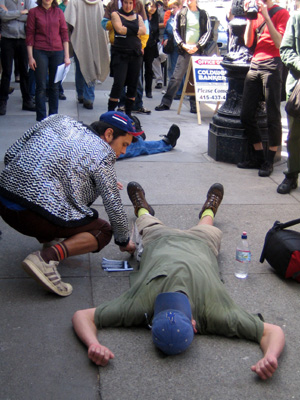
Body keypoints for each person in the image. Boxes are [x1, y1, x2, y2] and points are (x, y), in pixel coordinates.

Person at [72, 181, 285, 380]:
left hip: (158, 239)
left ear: (151, 319)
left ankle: (142, 207)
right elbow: (272, 331)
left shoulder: (139, 307)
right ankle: (209, 208)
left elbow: (82, 316)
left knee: (145, 220)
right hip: (200, 243)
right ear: (195, 325)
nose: (176, 293)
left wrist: (92, 344)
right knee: (207, 224)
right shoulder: (218, 315)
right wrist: (271, 356)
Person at [0, 112, 144, 297]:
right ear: (109, 134)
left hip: (4, 200)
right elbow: (113, 204)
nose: (123, 151)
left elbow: (12, 153)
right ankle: (46, 259)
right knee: (103, 231)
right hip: (32, 217)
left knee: (67, 203)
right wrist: (124, 241)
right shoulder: (103, 153)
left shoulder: (57, 119)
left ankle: (50, 236)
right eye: (124, 144)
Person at [237, 0, 289, 177]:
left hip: (273, 64)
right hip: (255, 63)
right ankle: (258, 155)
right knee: (246, 114)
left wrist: (267, 15)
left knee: (272, 114)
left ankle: (270, 159)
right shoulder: (255, 13)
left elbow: (279, 43)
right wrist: (250, 19)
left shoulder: (281, 13)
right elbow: (248, 41)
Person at [155, 0, 211, 113]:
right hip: (184, 50)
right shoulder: (181, 14)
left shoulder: (204, 14)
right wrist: (182, 44)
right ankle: (166, 102)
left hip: (198, 50)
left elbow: (207, 31)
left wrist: (198, 46)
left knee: (195, 79)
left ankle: (195, 105)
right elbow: (176, 31)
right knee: (176, 77)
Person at [101, 0, 152, 115]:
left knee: (133, 85)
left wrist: (127, 29)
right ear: (122, 3)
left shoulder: (138, 16)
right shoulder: (115, 14)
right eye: (125, 3)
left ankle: (128, 114)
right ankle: (110, 113)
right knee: (118, 84)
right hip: (120, 53)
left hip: (135, 53)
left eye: (130, 3)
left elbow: (144, 30)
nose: (128, 6)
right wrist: (135, 30)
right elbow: (119, 29)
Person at [26, 0, 70, 122]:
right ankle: (41, 120)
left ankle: (53, 119)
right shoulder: (33, 12)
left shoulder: (59, 12)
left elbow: (64, 34)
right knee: (41, 87)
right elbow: (29, 35)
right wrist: (30, 57)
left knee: (55, 87)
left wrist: (66, 56)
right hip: (40, 51)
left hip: (57, 51)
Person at [64, 0, 110, 110]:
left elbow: (69, 22)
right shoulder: (99, 3)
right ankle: (88, 97)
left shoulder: (75, 2)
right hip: (96, 39)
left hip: (80, 39)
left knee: (81, 65)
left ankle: (81, 94)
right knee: (91, 65)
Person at [277, 9, 300, 194]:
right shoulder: (297, 17)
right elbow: (285, 50)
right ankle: (291, 174)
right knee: (295, 137)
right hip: (298, 89)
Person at [0, 0, 36, 116]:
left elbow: (30, 16)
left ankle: (27, 100)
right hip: (7, 38)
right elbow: (2, 15)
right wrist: (21, 12)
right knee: (6, 72)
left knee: (24, 72)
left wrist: (11, 14)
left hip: (23, 38)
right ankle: (2, 101)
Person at [143, 0, 160, 99]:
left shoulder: (155, 17)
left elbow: (157, 31)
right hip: (142, 45)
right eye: (151, 6)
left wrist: (154, 40)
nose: (153, 8)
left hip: (151, 46)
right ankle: (138, 90)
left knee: (149, 69)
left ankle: (148, 91)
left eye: (154, 7)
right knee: (138, 70)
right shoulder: (142, 16)